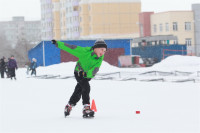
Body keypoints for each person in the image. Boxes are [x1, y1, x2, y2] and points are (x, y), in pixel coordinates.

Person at [51, 39, 107, 118]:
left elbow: (96, 68)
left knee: (79, 90)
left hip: (87, 76)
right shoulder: (84, 51)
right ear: (96, 48)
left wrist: (89, 74)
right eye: (102, 50)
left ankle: (69, 105)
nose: (103, 53)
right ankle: (86, 108)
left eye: (104, 51)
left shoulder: (100, 57)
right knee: (86, 87)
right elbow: (71, 48)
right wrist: (58, 43)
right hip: (79, 72)